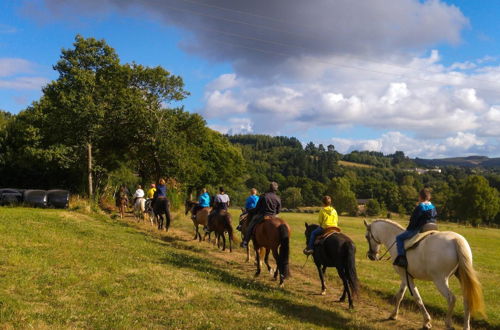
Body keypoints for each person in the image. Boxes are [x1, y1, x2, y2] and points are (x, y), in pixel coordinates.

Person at [393, 188, 437, 268]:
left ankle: (402, 258)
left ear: (420, 197)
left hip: (419, 229)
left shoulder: (420, 207)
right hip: (432, 228)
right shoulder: (432, 206)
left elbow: (414, 220)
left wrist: (408, 229)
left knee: (399, 238)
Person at [241, 182, 281, 248]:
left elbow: (257, 208)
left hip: (263, 215)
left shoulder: (263, 196)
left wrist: (250, 211)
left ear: (269, 188)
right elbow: (278, 210)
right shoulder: (278, 198)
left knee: (251, 225)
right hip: (274, 216)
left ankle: (245, 242)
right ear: (276, 189)